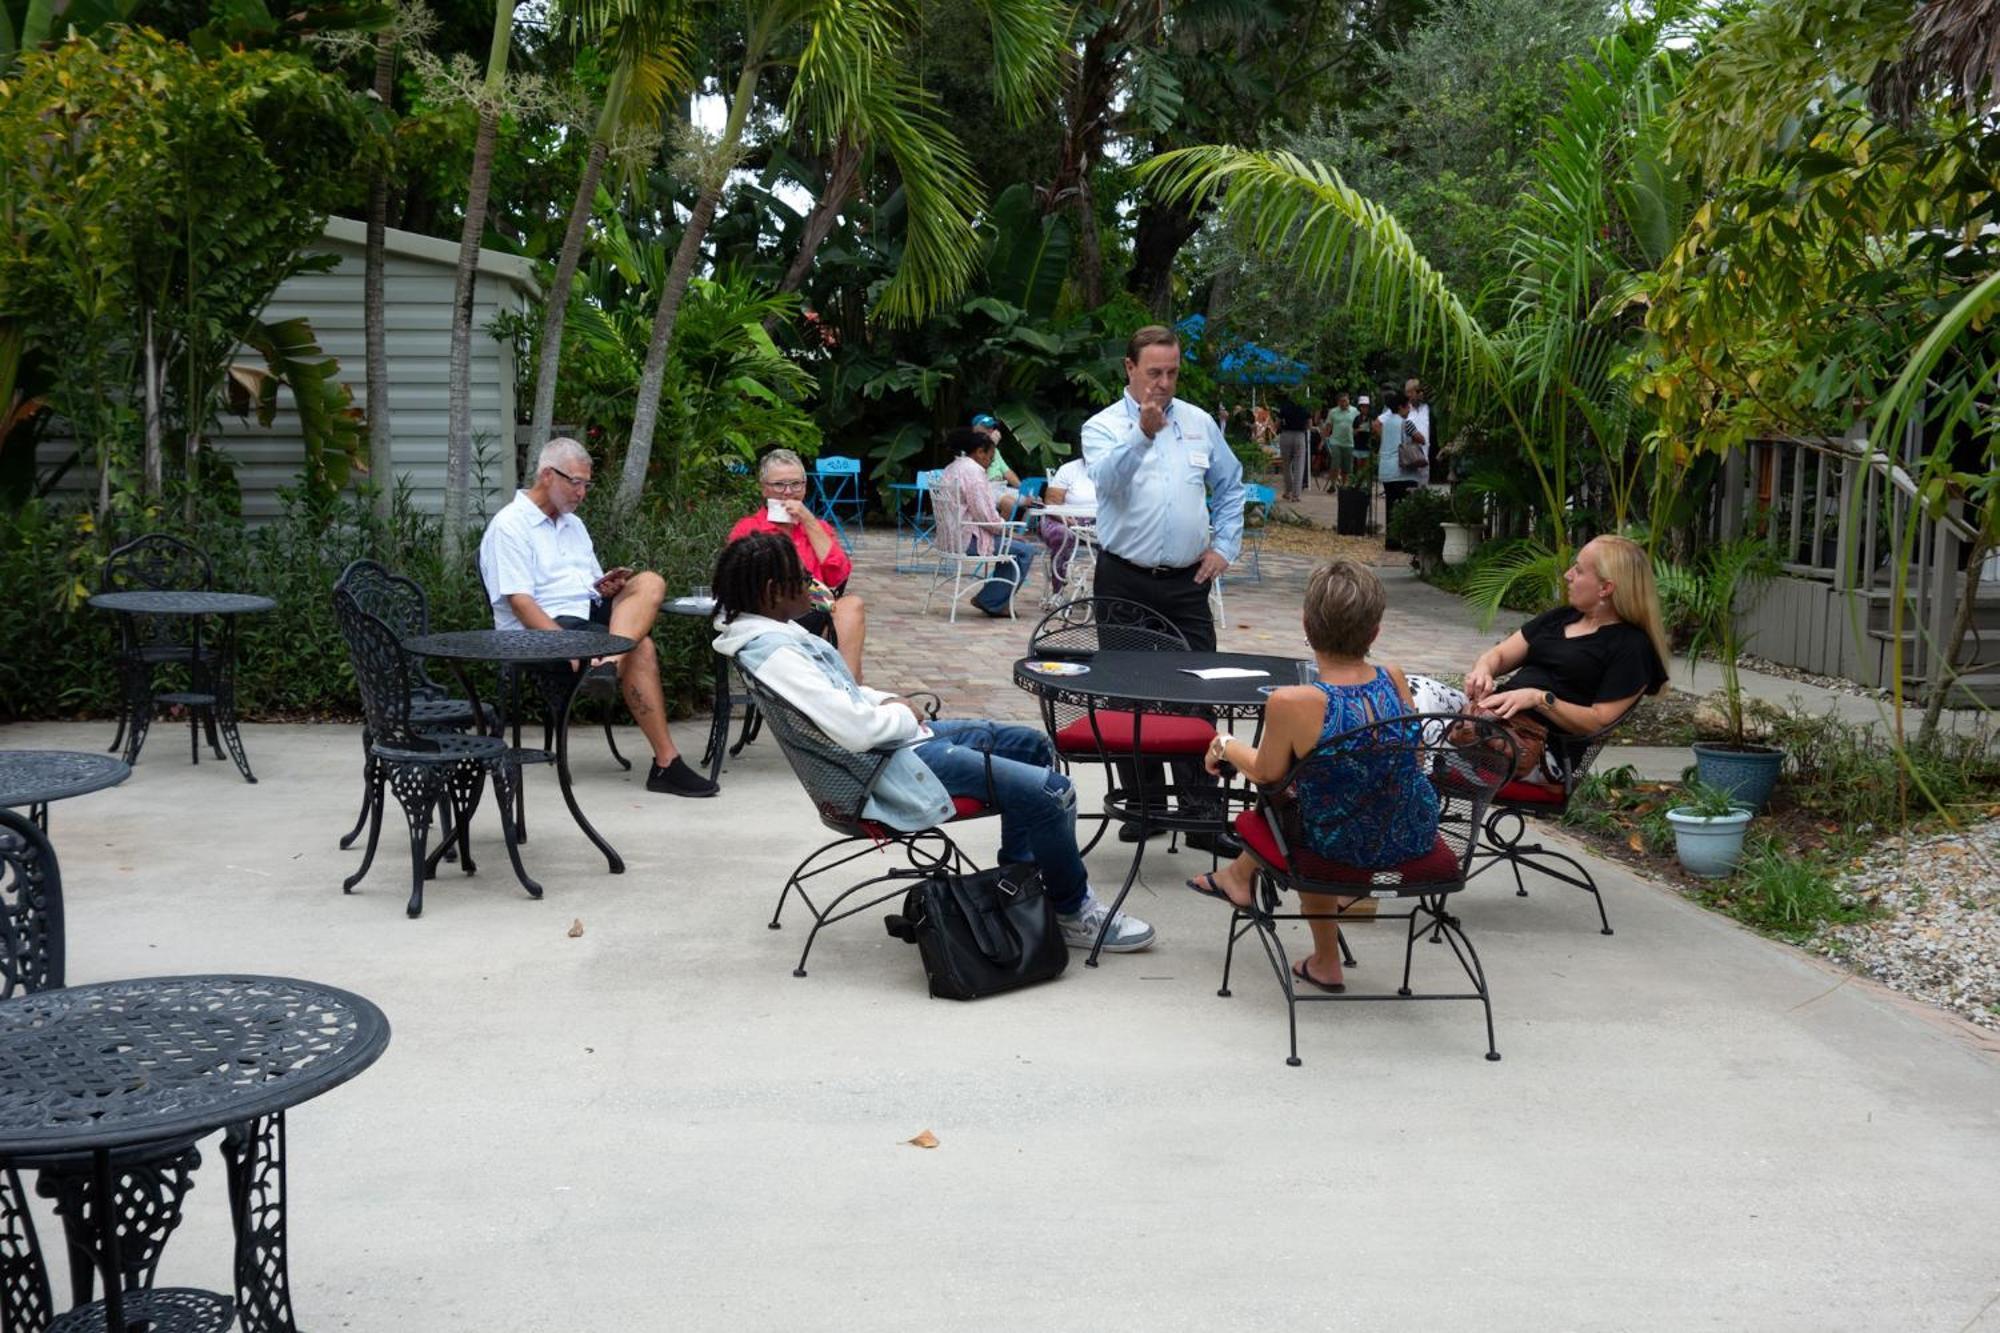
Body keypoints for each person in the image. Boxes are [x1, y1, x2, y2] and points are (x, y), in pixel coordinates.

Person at [711, 532, 1154, 952]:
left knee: (1030, 746)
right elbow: (854, 729)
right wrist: (902, 714)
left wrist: (890, 700)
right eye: (801, 580)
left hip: (892, 749)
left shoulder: (772, 634)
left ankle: (1016, 887)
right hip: (883, 772)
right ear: (772, 592)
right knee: (1052, 793)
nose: (812, 587)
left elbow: (840, 697)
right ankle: (1074, 912)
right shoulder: (775, 653)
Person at [1184, 559, 1435, 993]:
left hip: (1341, 849)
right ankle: (1238, 878)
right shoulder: (1393, 677)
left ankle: (1324, 960)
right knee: (1315, 797)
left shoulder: (1295, 701)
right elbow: (1411, 754)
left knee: (1290, 810)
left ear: (1306, 624)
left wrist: (1223, 744)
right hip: (1414, 832)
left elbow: (1265, 773)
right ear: (1374, 632)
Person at [1081, 324, 1245, 853]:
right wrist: (1143, 434)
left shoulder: (1198, 423)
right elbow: (1107, 482)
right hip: (1123, 577)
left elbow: (1231, 485)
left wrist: (1225, 546)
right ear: (1129, 369)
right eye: (1154, 373)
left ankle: (1202, 813)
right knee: (1130, 694)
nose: (1164, 383)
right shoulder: (1102, 427)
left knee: (1198, 692)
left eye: (1172, 372)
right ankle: (1145, 807)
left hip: (1185, 583)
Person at [478, 437, 717, 796]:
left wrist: (605, 587)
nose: (582, 493)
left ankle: (607, 662)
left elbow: (588, 586)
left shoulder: (573, 525)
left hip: (583, 614)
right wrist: (565, 644)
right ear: (547, 475)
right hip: (541, 629)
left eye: (587, 484)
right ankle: (666, 763)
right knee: (643, 648)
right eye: (575, 482)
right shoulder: (510, 525)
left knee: (650, 581)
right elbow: (521, 604)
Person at [1406, 534, 1671, 782]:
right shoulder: (1561, 618)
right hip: (1489, 718)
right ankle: (1410, 779)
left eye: (1578, 570)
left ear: (1606, 587)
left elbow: (1599, 720)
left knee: (1410, 743)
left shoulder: (1632, 646)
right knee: (1407, 688)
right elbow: (1498, 655)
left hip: (1535, 748)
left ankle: (1411, 783)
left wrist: (1538, 699)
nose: (1568, 575)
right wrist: (1483, 671)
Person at [727, 448, 866, 681]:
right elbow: (740, 583)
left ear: (805, 486)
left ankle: (848, 689)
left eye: (796, 484)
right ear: (764, 488)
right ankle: (850, 692)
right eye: (779, 485)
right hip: (770, 614)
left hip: (816, 611)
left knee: (852, 606)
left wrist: (809, 521)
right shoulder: (748, 528)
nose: (788, 492)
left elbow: (838, 576)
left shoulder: (817, 527)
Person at [939, 426, 1036, 618]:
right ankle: (992, 601)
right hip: (967, 540)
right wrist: (1007, 531)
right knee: (1025, 550)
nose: (991, 462)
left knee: (1014, 547)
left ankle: (991, 598)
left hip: (950, 538)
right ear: (979, 452)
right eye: (990, 456)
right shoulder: (974, 472)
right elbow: (986, 515)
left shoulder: (952, 467)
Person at [1373, 390, 1425, 549]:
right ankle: (1408, 541)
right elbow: (1420, 439)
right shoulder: (1406, 423)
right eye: (1407, 407)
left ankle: (1392, 541)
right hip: (1403, 471)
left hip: (1387, 470)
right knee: (1406, 507)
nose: (1409, 410)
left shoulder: (1386, 423)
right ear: (1401, 407)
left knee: (1391, 505)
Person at [1040, 453, 1097, 591]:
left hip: (1100, 523)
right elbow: (1052, 502)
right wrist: (1066, 519)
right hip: (1067, 521)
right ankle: (1058, 589)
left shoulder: (1117, 468)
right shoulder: (1069, 469)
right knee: (1061, 534)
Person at [971, 413, 1026, 516]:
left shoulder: (995, 450)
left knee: (1033, 500)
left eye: (992, 427)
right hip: (985, 487)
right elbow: (979, 470)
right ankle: (999, 530)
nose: (991, 431)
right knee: (1010, 504)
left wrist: (1023, 488)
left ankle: (1021, 530)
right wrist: (991, 445)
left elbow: (1007, 473)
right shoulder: (972, 450)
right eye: (987, 428)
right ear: (975, 430)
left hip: (1001, 486)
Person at [1275, 395, 1310, 501]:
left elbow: (1277, 424)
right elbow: (1309, 424)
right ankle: (1296, 495)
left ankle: (1288, 491)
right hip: (1299, 436)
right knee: (1299, 466)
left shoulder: (1284, 406)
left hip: (1286, 435)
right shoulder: (1305, 407)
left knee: (1286, 465)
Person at [1323, 392, 1360, 491]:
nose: (1343, 403)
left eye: (1345, 400)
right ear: (1338, 402)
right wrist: (1323, 440)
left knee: (1347, 467)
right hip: (1335, 442)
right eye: (1341, 401)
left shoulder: (1355, 411)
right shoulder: (1333, 412)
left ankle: (1344, 485)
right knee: (1335, 464)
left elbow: (1358, 425)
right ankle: (1333, 484)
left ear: (1348, 400)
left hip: (1349, 442)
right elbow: (1328, 426)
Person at [1404, 378, 1435, 476]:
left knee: (1423, 488)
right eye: (1409, 392)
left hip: (1424, 457)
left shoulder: (1426, 407)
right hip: (1410, 457)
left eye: (1416, 392)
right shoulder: (1405, 411)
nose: (1411, 395)